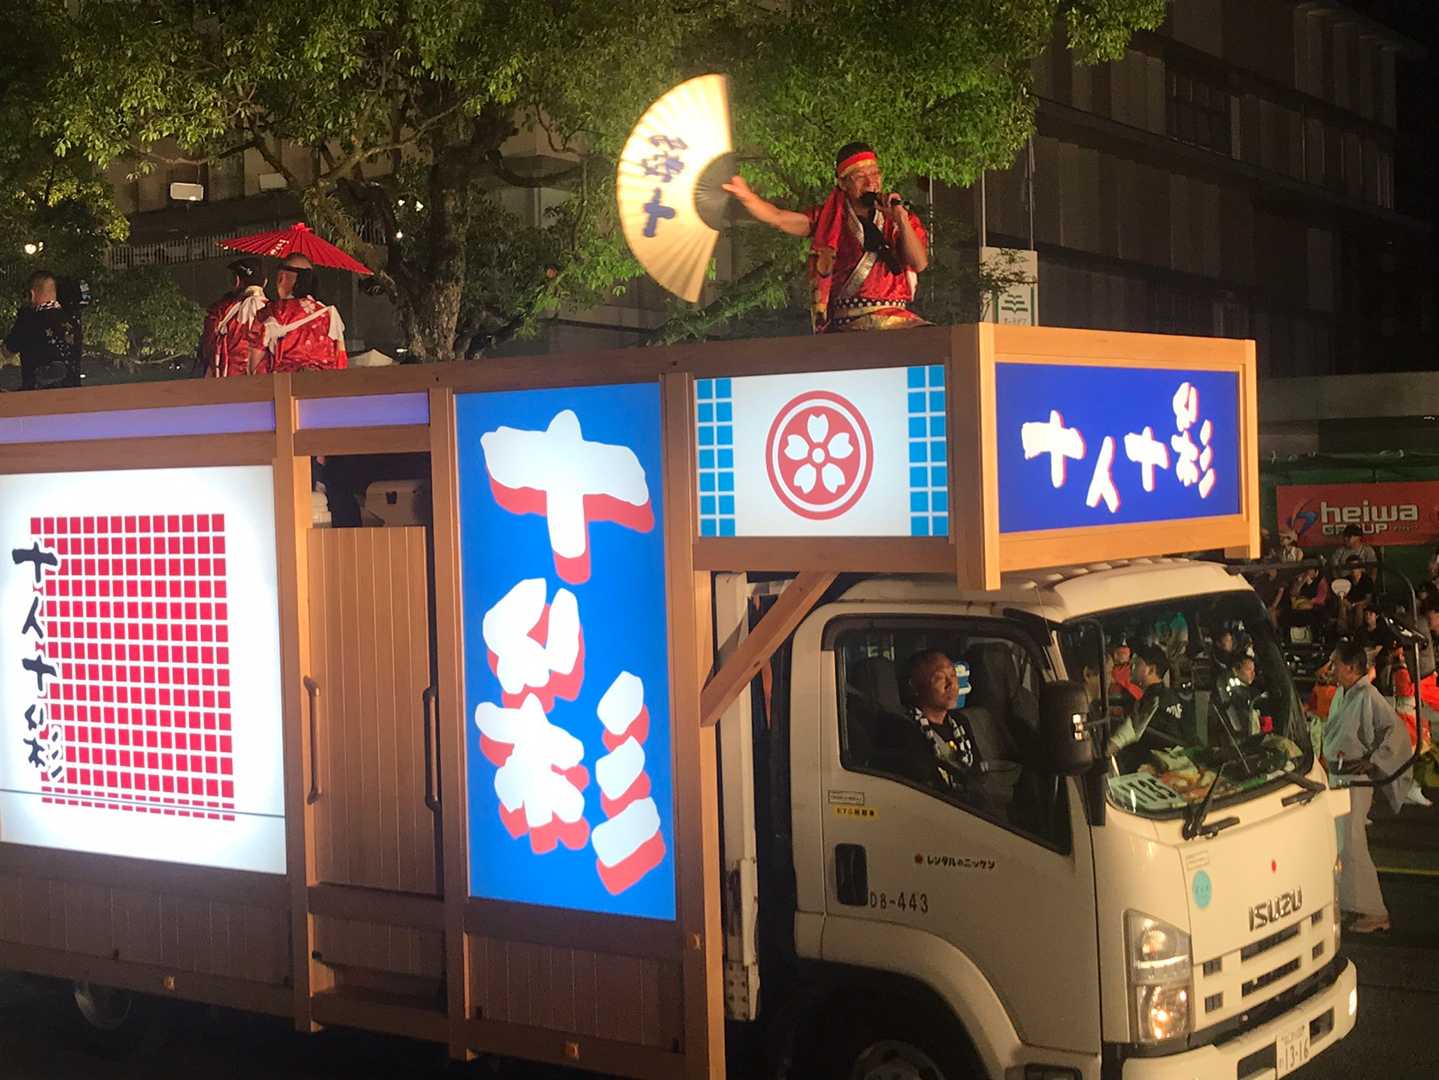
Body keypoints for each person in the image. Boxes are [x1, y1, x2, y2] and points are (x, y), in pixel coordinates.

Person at [722, 142, 929, 333]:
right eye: (860, 176)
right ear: (843, 183)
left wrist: (901, 219)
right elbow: (778, 218)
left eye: (875, 173)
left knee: (932, 341)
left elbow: (919, 264)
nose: (870, 182)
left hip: (899, 321)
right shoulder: (828, 218)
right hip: (848, 324)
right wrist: (747, 198)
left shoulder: (900, 219)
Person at [1324, 639, 1413, 933]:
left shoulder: (1368, 695)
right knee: (1341, 844)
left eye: (1335, 663)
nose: (1331, 668)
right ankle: (1351, 904)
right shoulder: (1344, 693)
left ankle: (1374, 911)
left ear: (1351, 668)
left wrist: (1374, 761)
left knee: (1352, 843)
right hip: (1339, 777)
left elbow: (1396, 731)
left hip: (1355, 779)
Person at [868, 650, 981, 793]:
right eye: (939, 678)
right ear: (915, 685)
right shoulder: (902, 730)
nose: (951, 684)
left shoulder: (960, 721)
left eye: (953, 675)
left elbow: (978, 770)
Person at [248, 253, 348, 373]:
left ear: (281, 278)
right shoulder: (329, 314)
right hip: (325, 381)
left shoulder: (271, 312)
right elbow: (341, 360)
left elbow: (254, 363)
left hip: (285, 382)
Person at [2, 270, 82, 389]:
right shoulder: (73, 322)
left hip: (38, 395)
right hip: (73, 395)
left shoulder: (28, 320)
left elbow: (7, 351)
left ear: (32, 294)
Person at [1107, 646, 1190, 759]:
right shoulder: (1172, 696)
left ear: (1151, 670)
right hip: (1177, 759)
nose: (1131, 667)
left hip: (1158, 762)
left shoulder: (1152, 700)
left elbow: (1131, 730)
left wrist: (1107, 751)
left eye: (1136, 664)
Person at [200, 257, 269, 377]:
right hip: (268, 383)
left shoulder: (220, 312)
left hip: (228, 383)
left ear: (236, 281)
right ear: (265, 282)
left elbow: (207, 350)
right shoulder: (277, 311)